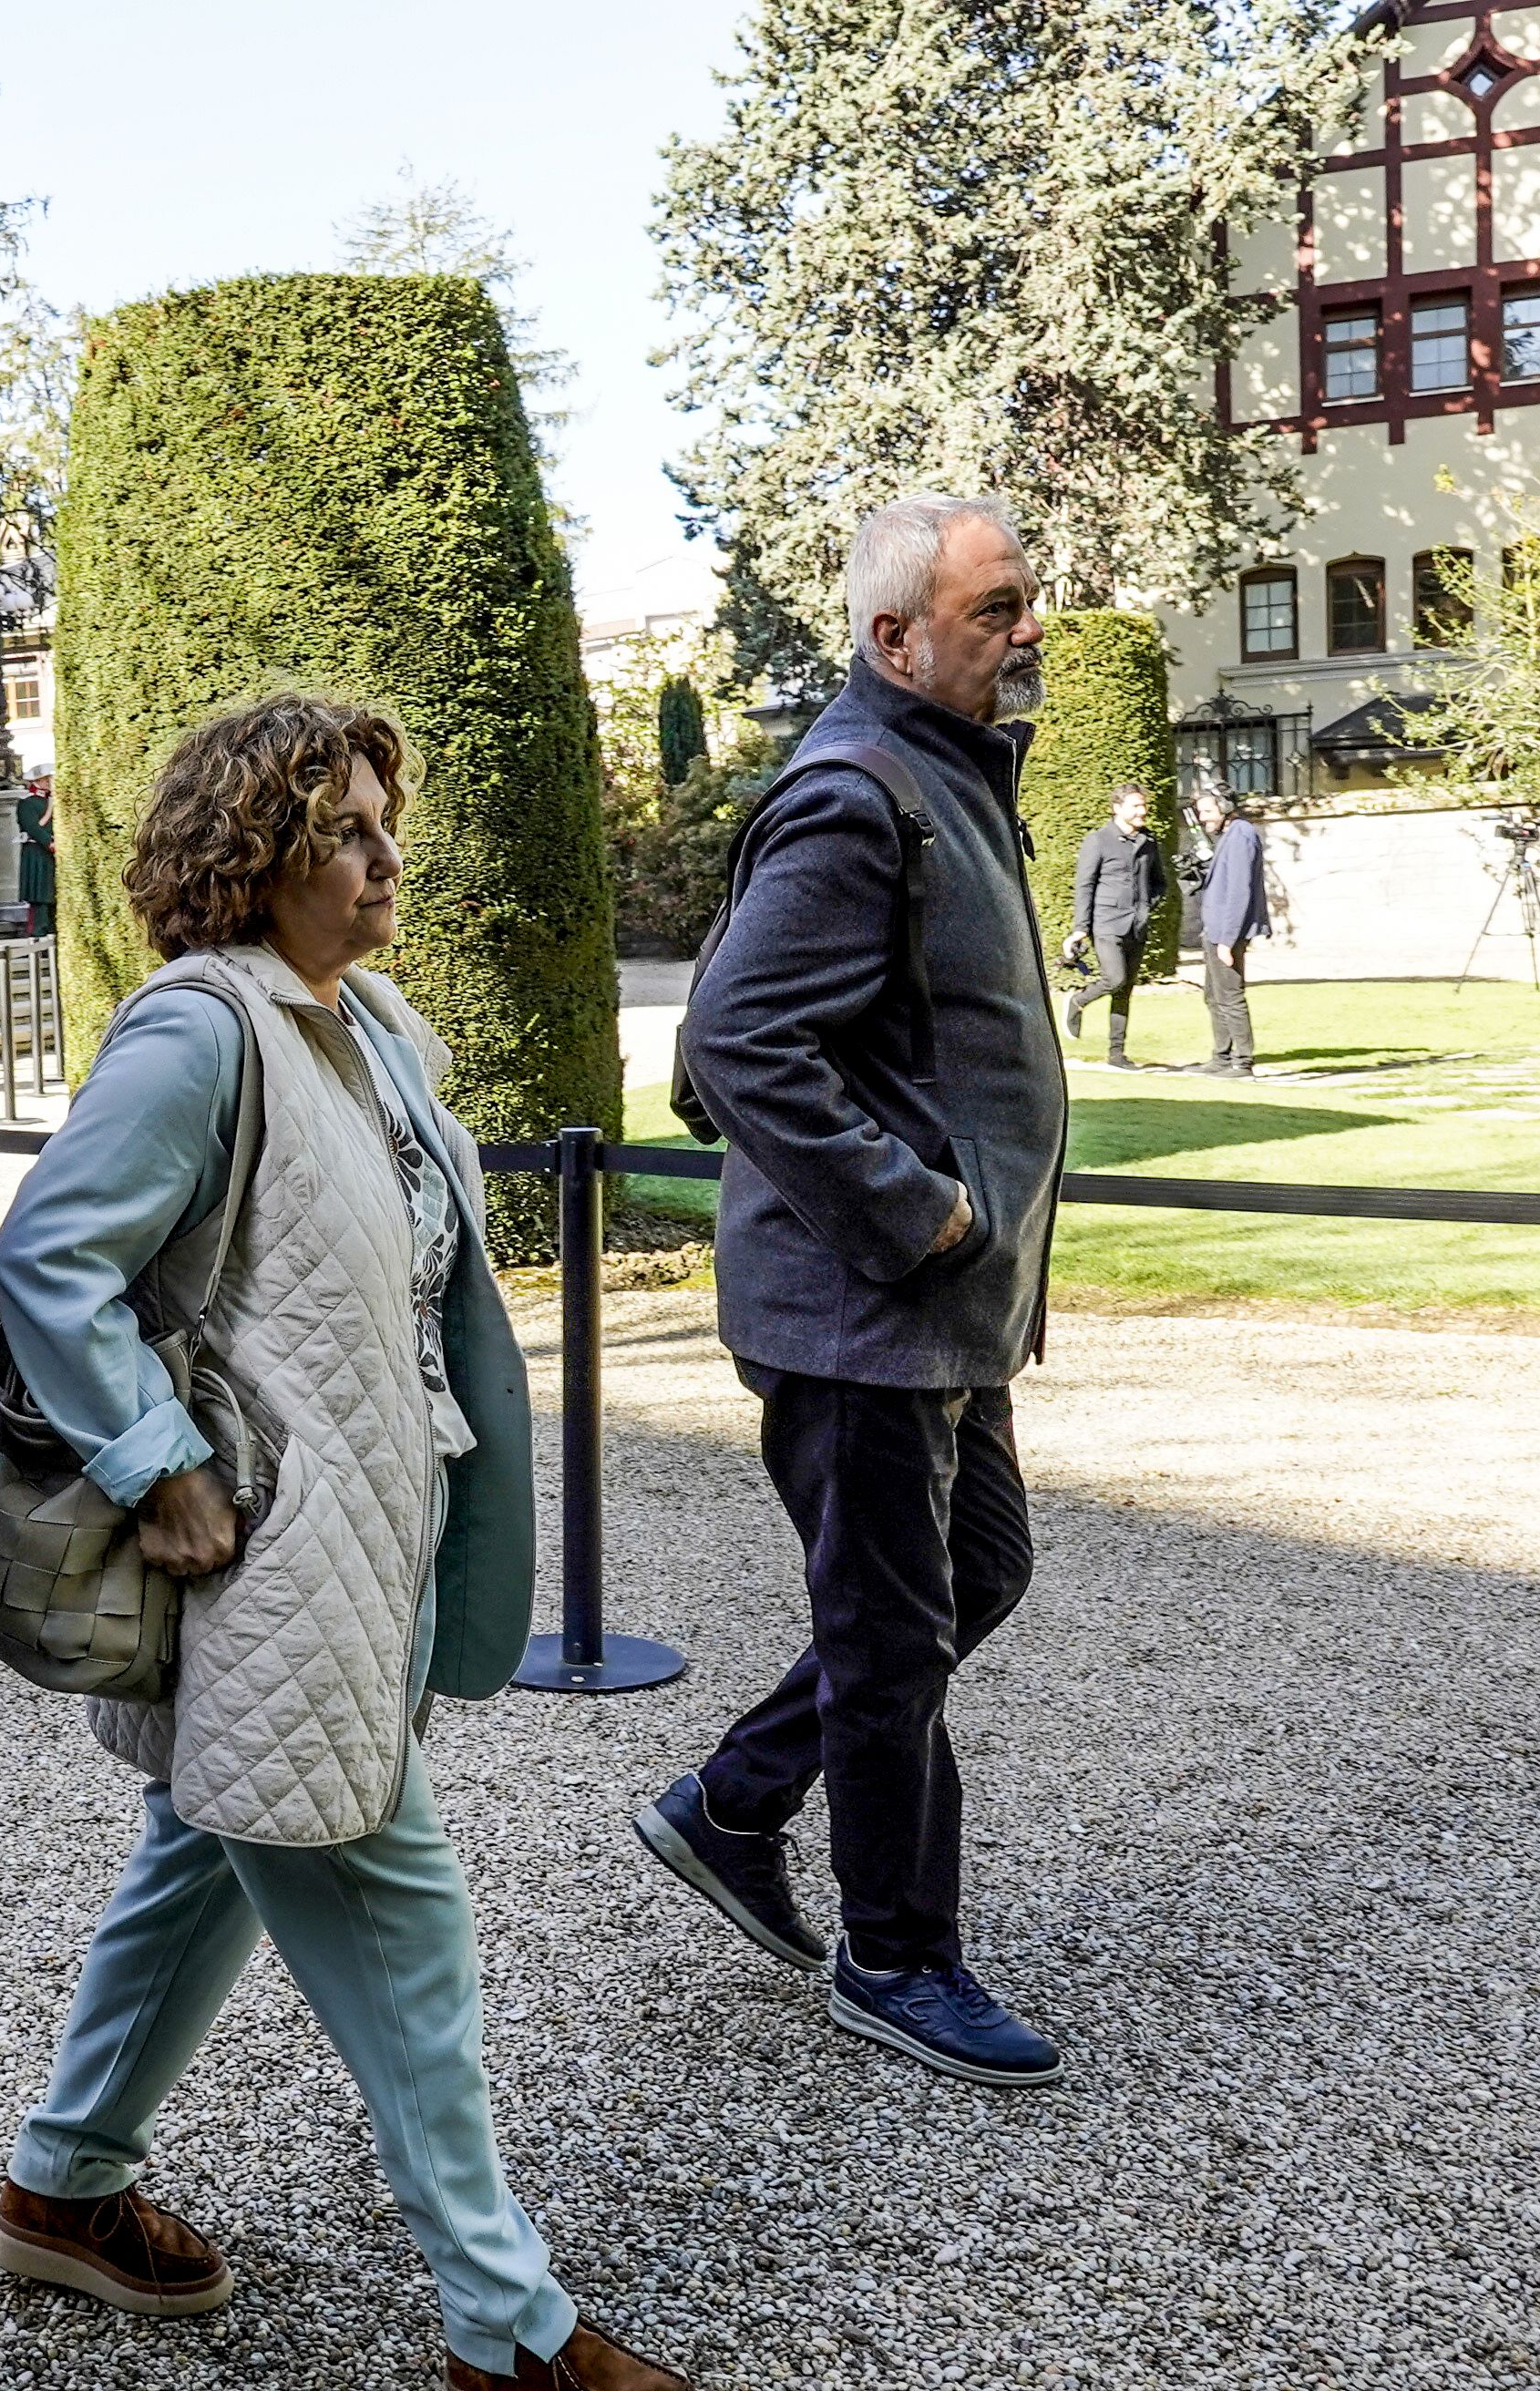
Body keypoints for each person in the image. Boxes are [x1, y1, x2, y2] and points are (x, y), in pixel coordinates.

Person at [0, 694, 690, 2391]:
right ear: (257, 858)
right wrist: (156, 1460)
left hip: (360, 1533)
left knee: (205, 1852)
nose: (387, 857)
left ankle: (63, 2183)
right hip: (268, 1561)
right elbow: (48, 1257)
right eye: (349, 831)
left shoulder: (365, 1026)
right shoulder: (201, 1032)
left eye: (385, 822)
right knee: (403, 1913)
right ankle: (503, 2323)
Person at [631, 491, 1070, 2089]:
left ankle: (734, 1798)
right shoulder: (856, 792)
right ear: (894, 638)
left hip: (931, 1306)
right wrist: (922, 1215)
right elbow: (732, 1046)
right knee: (891, 1636)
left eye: (1025, 601)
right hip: (869, 1307)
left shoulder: (941, 775)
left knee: (977, 1576)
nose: (1027, 630)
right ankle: (896, 1952)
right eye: (995, 609)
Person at [1060, 783, 1165, 1067]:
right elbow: (1085, 885)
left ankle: (1117, 1054)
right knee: (1115, 979)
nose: (1142, 811)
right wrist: (1081, 927)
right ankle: (1078, 1001)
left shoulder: (1149, 842)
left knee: (1125, 990)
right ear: (1117, 808)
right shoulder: (1098, 841)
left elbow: (1159, 884)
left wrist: (1145, 907)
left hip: (1137, 927)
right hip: (1106, 925)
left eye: (1143, 806)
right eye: (1135, 806)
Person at [1190, 785, 1271, 1076]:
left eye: (1208, 811)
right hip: (1215, 930)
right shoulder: (1230, 836)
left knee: (1230, 996)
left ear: (1225, 808)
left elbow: (1240, 891)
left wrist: (1227, 940)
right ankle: (1221, 1057)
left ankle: (1242, 1061)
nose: (1203, 818)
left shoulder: (1241, 834)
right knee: (1213, 995)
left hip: (1226, 932)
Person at [17, 768, 57, 939]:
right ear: (36, 781)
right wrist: (50, 842)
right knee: (39, 894)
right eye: (45, 780)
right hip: (36, 851)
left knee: (51, 893)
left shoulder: (52, 801)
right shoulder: (27, 802)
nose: (49, 783)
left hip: (51, 853)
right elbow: (33, 827)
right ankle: (36, 933)